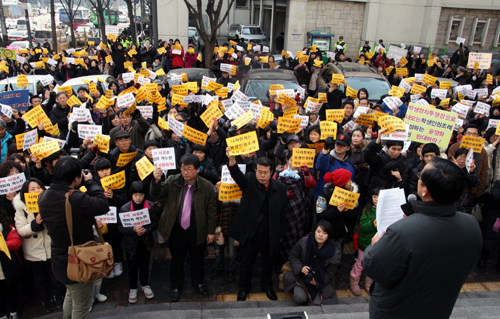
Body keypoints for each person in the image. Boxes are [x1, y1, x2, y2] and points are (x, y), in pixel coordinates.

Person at [362, 157, 482, 318]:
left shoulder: (403, 231)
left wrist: (375, 245)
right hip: (440, 308)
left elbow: (374, 267)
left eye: (420, 176)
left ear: (425, 190)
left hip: (397, 310)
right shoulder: (471, 224)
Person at [38, 157, 109, 319]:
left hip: (59, 259)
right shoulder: (76, 198)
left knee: (71, 295)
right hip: (79, 260)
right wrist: (90, 183)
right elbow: (102, 205)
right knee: (82, 306)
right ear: (77, 178)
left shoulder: (44, 196)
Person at [149, 154, 217, 302]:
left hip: (197, 227)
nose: (185, 172)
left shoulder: (206, 186)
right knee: (176, 259)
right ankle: (175, 285)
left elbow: (212, 211)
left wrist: (211, 231)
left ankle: (198, 282)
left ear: (197, 170)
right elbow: (157, 193)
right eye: (183, 168)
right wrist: (156, 181)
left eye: (189, 169)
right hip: (177, 227)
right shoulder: (173, 181)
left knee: (198, 259)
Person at [226, 150, 287, 301]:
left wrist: (280, 234)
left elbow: (283, 213)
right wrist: (232, 160)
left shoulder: (280, 188)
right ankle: (243, 288)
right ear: (255, 171)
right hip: (250, 230)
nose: (262, 175)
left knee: (268, 262)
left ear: (271, 172)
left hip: (270, 231)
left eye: (265, 172)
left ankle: (267, 286)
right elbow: (237, 175)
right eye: (259, 172)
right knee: (247, 261)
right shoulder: (250, 181)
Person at [14, 179, 65, 312]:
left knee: (56, 275)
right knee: (40, 278)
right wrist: (35, 224)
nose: (37, 191)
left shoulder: (51, 202)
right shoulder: (21, 208)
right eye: (33, 189)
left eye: (39, 188)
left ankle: (58, 295)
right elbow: (21, 230)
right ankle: (45, 298)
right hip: (34, 250)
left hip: (51, 245)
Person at [118, 181, 159, 304]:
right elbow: (121, 228)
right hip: (131, 245)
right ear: (131, 195)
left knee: (145, 265)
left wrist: (146, 229)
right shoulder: (124, 208)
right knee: (132, 267)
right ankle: (133, 288)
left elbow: (155, 223)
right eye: (135, 195)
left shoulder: (150, 206)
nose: (138, 198)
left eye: (141, 195)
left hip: (145, 243)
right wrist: (133, 229)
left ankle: (145, 285)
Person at [282, 220, 341, 305]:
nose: (320, 235)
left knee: (320, 303)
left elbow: (329, 273)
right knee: (299, 298)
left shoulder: (334, 252)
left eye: (324, 233)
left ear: (329, 236)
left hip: (321, 279)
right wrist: (300, 268)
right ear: (314, 232)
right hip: (302, 276)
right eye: (318, 231)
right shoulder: (305, 242)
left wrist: (316, 283)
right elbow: (293, 255)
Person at [349, 187, 380, 296]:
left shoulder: (386, 210)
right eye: (374, 197)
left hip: (379, 244)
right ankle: (354, 282)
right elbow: (363, 226)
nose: (376, 199)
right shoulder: (366, 210)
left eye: (379, 197)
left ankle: (369, 284)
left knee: (373, 264)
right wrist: (373, 223)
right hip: (365, 242)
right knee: (360, 263)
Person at [0, 207, 22, 319]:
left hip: (9, 267)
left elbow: (16, 242)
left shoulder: (7, 226)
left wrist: (3, 245)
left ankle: (13, 313)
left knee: (12, 291)